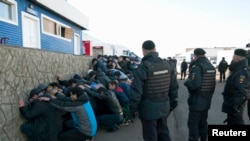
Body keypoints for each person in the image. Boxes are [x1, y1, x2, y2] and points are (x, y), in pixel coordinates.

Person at [130, 40, 179, 141]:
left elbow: (136, 92)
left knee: (150, 137)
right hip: (163, 107)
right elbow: (173, 87)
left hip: (148, 110)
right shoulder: (167, 65)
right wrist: (172, 103)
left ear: (143, 51)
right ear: (155, 49)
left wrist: (133, 109)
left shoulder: (143, 67)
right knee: (164, 134)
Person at [184, 48, 216, 141]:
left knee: (193, 123)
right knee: (203, 122)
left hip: (197, 100)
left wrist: (187, 82)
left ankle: (193, 139)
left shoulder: (197, 67)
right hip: (207, 99)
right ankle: (203, 138)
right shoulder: (211, 66)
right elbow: (213, 85)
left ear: (195, 56)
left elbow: (195, 84)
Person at [222, 49, 250, 125]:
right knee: (232, 121)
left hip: (236, 103)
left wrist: (237, 105)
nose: (232, 57)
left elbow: (242, 89)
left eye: (234, 55)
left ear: (238, 57)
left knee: (237, 121)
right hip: (232, 101)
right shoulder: (237, 69)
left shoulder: (242, 71)